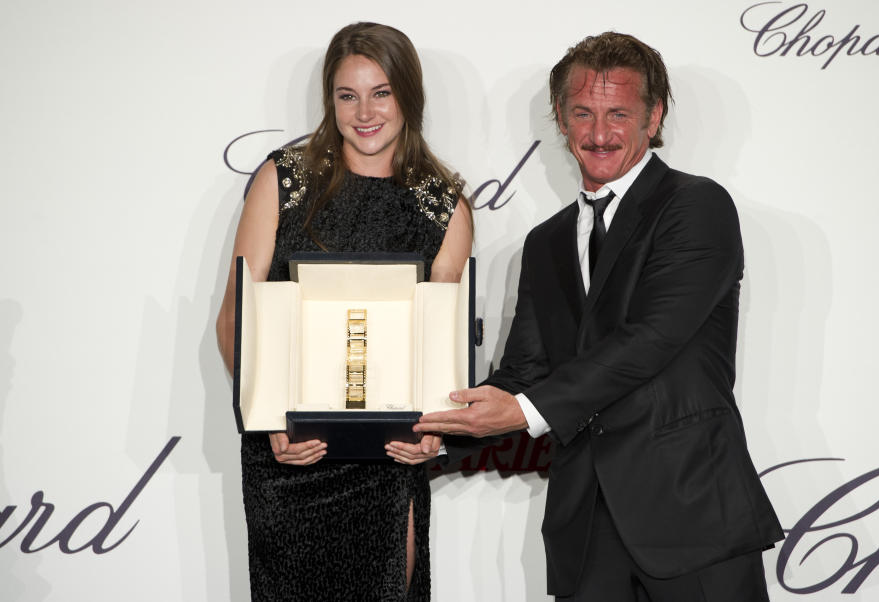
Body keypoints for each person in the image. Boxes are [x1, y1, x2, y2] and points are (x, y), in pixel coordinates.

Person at [417, 32, 783, 601]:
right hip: (585, 531)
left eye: (618, 114)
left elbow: (651, 339)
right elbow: (524, 372)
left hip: (692, 520)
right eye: (582, 113)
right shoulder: (545, 242)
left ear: (653, 115)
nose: (598, 133)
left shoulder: (696, 206)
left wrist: (522, 409)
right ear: (560, 118)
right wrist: (437, 435)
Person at [215, 22, 472, 601]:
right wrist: (269, 414)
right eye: (347, 95)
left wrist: (433, 429)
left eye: (381, 92)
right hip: (289, 457)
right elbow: (235, 319)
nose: (364, 112)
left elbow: (443, 341)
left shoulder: (444, 204)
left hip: (387, 459)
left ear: (409, 94)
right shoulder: (283, 181)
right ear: (329, 100)